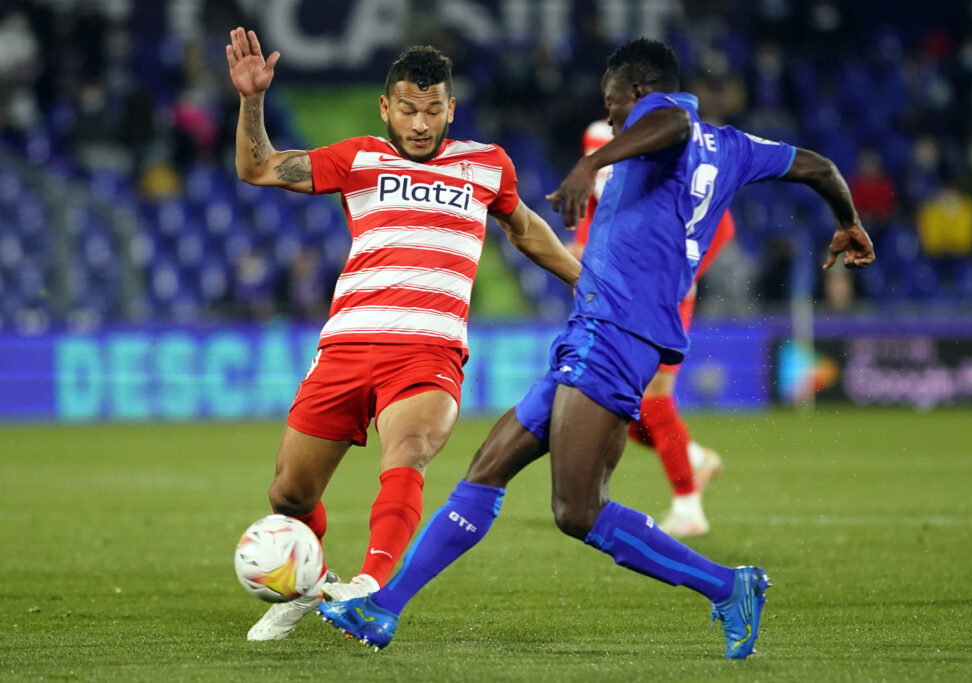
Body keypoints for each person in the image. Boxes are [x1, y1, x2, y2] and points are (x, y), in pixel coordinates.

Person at [319, 38, 874, 658]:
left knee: (577, 510)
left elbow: (672, 122)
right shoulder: (738, 147)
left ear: (636, 95)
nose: (609, 118)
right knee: (488, 468)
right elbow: (819, 167)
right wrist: (847, 220)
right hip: (600, 327)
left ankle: (727, 585)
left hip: (619, 333)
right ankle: (382, 609)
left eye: (613, 106)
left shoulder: (661, 119)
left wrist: (592, 164)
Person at [225, 27, 581, 640]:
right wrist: (252, 99)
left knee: (409, 452)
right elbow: (257, 167)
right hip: (345, 345)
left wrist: (589, 282)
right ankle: (313, 584)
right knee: (288, 493)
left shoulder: (487, 165)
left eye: (434, 109)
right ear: (386, 108)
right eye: (409, 110)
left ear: (451, 107)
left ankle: (368, 590)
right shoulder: (359, 157)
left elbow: (523, 229)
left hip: (427, 348)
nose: (421, 123)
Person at [574, 119, 730, 537]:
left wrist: (686, 270)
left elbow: (723, 224)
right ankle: (691, 456)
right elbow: (594, 223)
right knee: (617, 406)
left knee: (656, 397)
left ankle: (688, 506)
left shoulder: (665, 155)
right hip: (621, 297)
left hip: (667, 294)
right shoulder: (596, 149)